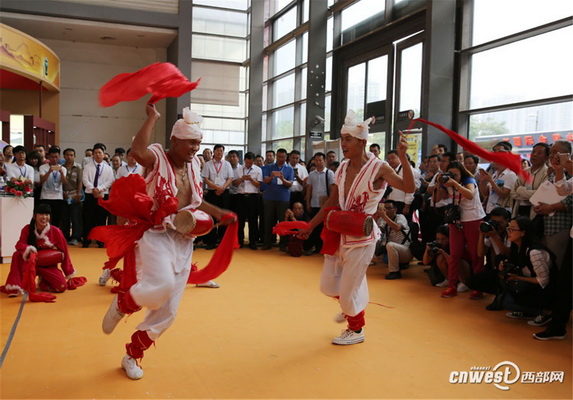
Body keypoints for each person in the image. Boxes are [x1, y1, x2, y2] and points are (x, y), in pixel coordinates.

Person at [101, 104, 235, 380]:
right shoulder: (158, 157)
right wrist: (152, 117)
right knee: (160, 285)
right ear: (174, 140)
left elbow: (194, 202)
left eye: (198, 143)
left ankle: (132, 355)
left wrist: (218, 213)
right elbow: (137, 151)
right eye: (190, 143)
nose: (195, 148)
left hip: (184, 241)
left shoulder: (196, 165)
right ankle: (124, 304)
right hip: (155, 235)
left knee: (168, 312)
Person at [297, 109, 415, 345]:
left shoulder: (379, 168)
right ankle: (349, 305)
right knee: (329, 286)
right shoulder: (340, 168)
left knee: (349, 290)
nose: (343, 144)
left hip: (363, 236)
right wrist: (310, 225)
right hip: (339, 233)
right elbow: (332, 202)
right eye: (342, 139)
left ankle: (356, 329)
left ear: (362, 142)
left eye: (348, 139)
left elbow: (408, 187)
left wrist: (403, 157)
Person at [433, 161, 486, 299]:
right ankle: (452, 285)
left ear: (461, 172)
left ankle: (478, 287)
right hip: (456, 220)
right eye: (450, 174)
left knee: (476, 255)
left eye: (455, 174)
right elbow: (438, 199)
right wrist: (439, 184)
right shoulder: (447, 182)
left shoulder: (469, 180)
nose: (453, 177)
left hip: (473, 219)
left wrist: (455, 184)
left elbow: (470, 194)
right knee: (455, 253)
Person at [1, 204, 75, 297]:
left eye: (47, 214)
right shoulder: (27, 229)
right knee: (17, 254)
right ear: (34, 216)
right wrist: (29, 250)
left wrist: (69, 273)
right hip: (30, 265)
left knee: (61, 286)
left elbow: (65, 252)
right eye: (41, 214)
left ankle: (43, 282)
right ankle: (15, 286)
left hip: (47, 265)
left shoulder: (56, 231)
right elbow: (19, 244)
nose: (44, 217)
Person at [498, 217, 554, 324]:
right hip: (531, 285)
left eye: (512, 229)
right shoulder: (517, 246)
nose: (509, 232)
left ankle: (546, 312)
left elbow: (544, 281)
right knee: (504, 299)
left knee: (508, 302)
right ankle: (529, 311)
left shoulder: (535, 252)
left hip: (546, 290)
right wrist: (505, 265)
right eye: (508, 228)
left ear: (523, 232)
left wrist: (518, 278)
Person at [201, 144, 234, 250]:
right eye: (218, 151)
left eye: (221, 151)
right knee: (212, 217)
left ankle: (222, 242)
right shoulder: (208, 164)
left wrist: (222, 188)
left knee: (224, 217)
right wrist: (216, 188)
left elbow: (230, 178)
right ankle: (211, 241)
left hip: (224, 192)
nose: (220, 153)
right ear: (214, 152)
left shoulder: (227, 164)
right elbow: (205, 179)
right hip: (212, 193)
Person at [82, 144, 114, 248]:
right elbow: (85, 180)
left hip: (103, 195)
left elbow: (110, 181)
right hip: (89, 195)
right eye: (95, 153)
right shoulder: (87, 167)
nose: (98, 155)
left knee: (101, 218)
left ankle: (100, 241)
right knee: (88, 218)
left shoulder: (108, 168)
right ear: (93, 155)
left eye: (100, 153)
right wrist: (93, 189)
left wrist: (99, 189)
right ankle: (87, 240)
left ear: (104, 154)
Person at [262, 148, 294, 250]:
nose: (281, 159)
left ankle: (283, 244)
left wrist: (282, 179)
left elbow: (290, 184)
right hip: (269, 198)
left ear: (286, 157)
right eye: (279, 157)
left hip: (283, 198)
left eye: (283, 157)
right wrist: (272, 176)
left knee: (283, 222)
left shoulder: (289, 169)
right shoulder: (269, 167)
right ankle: (268, 242)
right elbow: (265, 180)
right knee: (268, 221)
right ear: (276, 156)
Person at [305, 152, 335, 254]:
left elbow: (332, 188)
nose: (318, 162)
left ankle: (321, 247)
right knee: (315, 226)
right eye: (316, 160)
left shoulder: (330, 173)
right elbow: (309, 189)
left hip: (325, 203)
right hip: (314, 203)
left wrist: (332, 203)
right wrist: (308, 202)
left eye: (320, 160)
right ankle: (314, 246)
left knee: (323, 227)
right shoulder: (311, 174)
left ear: (324, 161)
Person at [375, 200, 413, 280]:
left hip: (405, 250)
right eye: (385, 209)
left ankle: (395, 272)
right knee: (374, 244)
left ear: (395, 209)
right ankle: (399, 264)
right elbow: (377, 232)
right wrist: (376, 218)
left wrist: (384, 217)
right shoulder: (383, 220)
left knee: (390, 245)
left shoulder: (400, 217)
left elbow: (397, 228)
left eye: (389, 208)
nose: (387, 211)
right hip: (393, 250)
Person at [510, 143, 549, 220]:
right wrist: (530, 197)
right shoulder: (524, 171)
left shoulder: (547, 173)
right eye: (533, 152)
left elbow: (541, 195)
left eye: (539, 153)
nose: (534, 155)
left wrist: (520, 190)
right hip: (520, 210)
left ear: (547, 157)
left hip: (536, 213)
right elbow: (513, 192)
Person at [233, 151, 262, 250]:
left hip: (253, 197)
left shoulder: (258, 170)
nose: (248, 164)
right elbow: (234, 183)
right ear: (244, 160)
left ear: (253, 161)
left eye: (250, 162)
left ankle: (252, 242)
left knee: (253, 220)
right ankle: (239, 241)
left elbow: (259, 184)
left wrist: (251, 180)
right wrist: (242, 179)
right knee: (240, 221)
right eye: (247, 162)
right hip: (240, 197)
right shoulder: (238, 169)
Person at [39, 146, 67, 229]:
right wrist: (49, 172)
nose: (54, 159)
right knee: (45, 219)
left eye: (56, 157)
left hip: (58, 197)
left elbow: (64, 182)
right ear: (48, 157)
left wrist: (61, 173)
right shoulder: (43, 167)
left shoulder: (63, 169)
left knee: (56, 219)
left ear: (59, 157)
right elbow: (42, 180)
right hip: (45, 197)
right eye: (52, 157)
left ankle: (54, 236)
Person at [61, 148, 83, 246]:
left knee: (75, 217)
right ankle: (65, 236)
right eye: (67, 155)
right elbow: (58, 182)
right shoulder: (60, 167)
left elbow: (80, 181)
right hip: (63, 195)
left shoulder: (78, 167)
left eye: (71, 155)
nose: (69, 157)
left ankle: (75, 237)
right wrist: (62, 192)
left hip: (75, 194)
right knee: (65, 217)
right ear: (64, 156)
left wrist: (78, 193)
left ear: (74, 156)